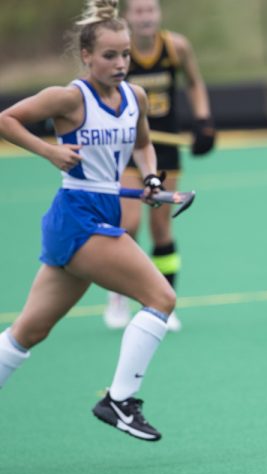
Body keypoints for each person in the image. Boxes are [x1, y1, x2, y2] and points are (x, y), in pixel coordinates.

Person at [0, 0, 174, 441]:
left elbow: (143, 145)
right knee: (161, 297)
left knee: (28, 331)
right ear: (87, 57)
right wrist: (49, 150)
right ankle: (119, 400)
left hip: (100, 213)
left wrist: (151, 177)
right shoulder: (70, 97)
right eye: (110, 55)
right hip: (78, 217)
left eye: (126, 54)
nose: (120, 64)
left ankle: (118, 400)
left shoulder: (135, 97)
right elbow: (7, 119)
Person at [103, 0, 215, 332]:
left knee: (161, 228)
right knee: (129, 222)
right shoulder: (118, 53)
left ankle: (163, 302)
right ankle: (118, 294)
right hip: (127, 148)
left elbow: (195, 83)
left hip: (164, 150)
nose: (145, 17)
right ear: (127, 17)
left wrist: (204, 121)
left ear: (159, 13)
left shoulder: (176, 46)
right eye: (138, 11)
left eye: (150, 10)